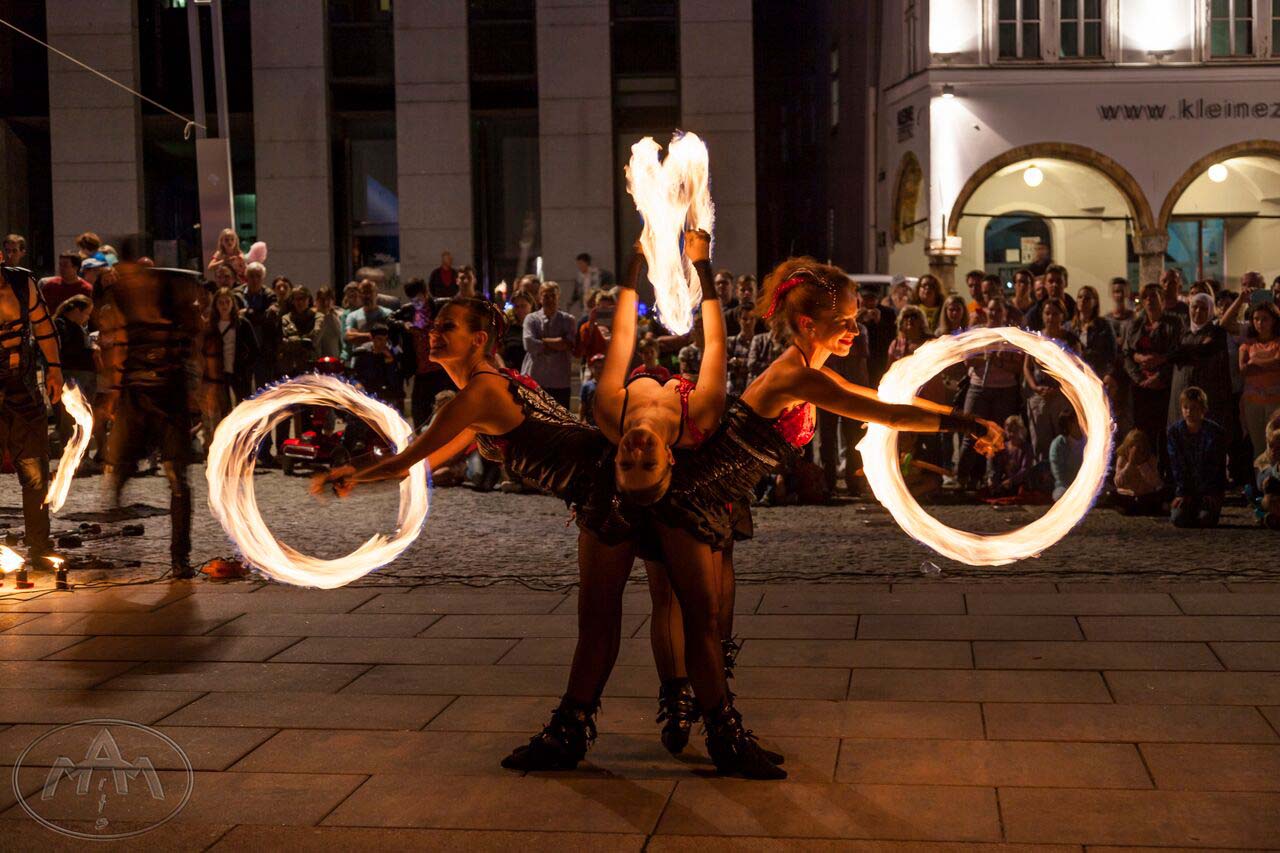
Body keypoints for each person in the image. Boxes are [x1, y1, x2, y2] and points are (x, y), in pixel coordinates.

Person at [98, 259, 203, 577]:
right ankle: (114, 533)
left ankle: (179, 557)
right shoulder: (123, 303)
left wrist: (200, 390)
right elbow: (118, 346)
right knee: (119, 469)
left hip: (170, 396)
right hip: (136, 396)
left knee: (177, 479)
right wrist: (114, 393)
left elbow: (196, 344)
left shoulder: (175, 304)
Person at [0, 262, 63, 582]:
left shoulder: (21, 283)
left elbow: (44, 327)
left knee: (36, 471)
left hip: (23, 388)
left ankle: (39, 547)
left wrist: (54, 367)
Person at [957, 298, 1024, 489]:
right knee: (970, 432)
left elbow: (1018, 366)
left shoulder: (1010, 336)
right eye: (991, 310)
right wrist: (984, 358)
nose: (994, 314)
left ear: (1005, 313)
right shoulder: (979, 333)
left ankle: (992, 480)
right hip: (979, 388)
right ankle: (962, 478)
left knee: (998, 436)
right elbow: (967, 360)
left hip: (1004, 390)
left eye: (998, 310)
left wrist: (999, 362)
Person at [1123, 282, 1183, 472]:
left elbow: (1178, 352)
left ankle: (1166, 474)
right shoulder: (1135, 324)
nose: (1149, 300)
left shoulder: (1174, 323)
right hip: (1141, 388)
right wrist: (1140, 378)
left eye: (1153, 296)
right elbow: (1127, 353)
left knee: (1165, 432)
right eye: (1146, 296)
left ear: (1162, 300)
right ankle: (1145, 473)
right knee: (1142, 432)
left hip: (1164, 387)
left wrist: (1160, 372)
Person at [1167, 292, 1232, 434]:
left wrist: (1183, 353)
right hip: (1180, 389)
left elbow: (1204, 351)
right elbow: (1171, 355)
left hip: (1207, 391)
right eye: (1194, 307)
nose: (1197, 311)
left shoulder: (1216, 333)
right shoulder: (1182, 332)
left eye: (1203, 309)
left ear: (1210, 311)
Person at [1024, 299, 1080, 461]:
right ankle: (1042, 477)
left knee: (1064, 437)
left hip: (1062, 395)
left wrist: (1061, 387)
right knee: (1040, 440)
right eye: (1047, 313)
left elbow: (1077, 369)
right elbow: (1027, 367)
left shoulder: (1070, 340)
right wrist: (1034, 387)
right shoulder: (1036, 338)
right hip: (1039, 396)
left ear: (1062, 316)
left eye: (1055, 314)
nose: (1051, 318)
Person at [1167, 386, 1226, 528]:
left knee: (1206, 520)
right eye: (1185, 407)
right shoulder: (1175, 432)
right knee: (1179, 519)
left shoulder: (1214, 432)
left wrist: (1212, 493)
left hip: (1208, 489)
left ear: (1202, 409)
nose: (1189, 412)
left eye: (1193, 408)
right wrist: (1181, 492)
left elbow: (1216, 466)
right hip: (1187, 488)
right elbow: (1177, 464)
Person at [201, 286, 258, 428]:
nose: (224, 306)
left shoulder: (242, 324)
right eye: (221, 302)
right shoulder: (211, 326)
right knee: (223, 412)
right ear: (216, 305)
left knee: (243, 410)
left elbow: (254, 349)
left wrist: (245, 367)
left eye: (227, 302)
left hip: (239, 374)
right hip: (219, 375)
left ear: (232, 303)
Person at [51, 295, 97, 453]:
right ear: (77, 310)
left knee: (83, 416)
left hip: (82, 375)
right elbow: (63, 349)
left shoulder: (76, 326)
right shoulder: (61, 325)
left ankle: (80, 455)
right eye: (87, 313)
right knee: (71, 418)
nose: (88, 318)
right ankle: (71, 454)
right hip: (72, 375)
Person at [521, 281, 577, 409]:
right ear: (540, 298)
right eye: (546, 296)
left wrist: (542, 341)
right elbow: (529, 344)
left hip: (560, 381)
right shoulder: (531, 319)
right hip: (536, 379)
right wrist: (556, 343)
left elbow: (568, 344)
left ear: (558, 297)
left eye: (553, 296)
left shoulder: (568, 320)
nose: (550, 300)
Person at [1239, 301, 1280, 456]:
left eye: (1264, 319)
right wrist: (1268, 364)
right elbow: (1243, 369)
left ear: (1273, 320)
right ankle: (1260, 479)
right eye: (1256, 319)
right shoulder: (1248, 344)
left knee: (1275, 447)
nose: (1260, 323)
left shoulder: (1277, 343)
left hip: (1276, 403)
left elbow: (1278, 363)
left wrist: (1255, 362)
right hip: (1253, 403)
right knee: (1258, 448)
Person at [1113, 428, 1165, 515]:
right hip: (1128, 495)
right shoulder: (1122, 458)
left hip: (1145, 495)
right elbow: (1118, 482)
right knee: (1111, 496)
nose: (1136, 451)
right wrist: (1130, 464)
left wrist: (1142, 464)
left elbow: (1156, 483)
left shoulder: (1150, 459)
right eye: (1132, 446)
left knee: (1154, 498)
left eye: (1139, 447)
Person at [343, 279, 393, 367]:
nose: (367, 296)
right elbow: (349, 337)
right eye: (364, 292)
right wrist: (376, 336)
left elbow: (391, 338)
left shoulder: (387, 314)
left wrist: (359, 335)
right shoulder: (353, 316)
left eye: (370, 292)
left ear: (376, 294)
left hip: (382, 364)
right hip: (360, 364)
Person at [855, 282, 896, 387]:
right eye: (865, 298)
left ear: (878, 299)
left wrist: (879, 323)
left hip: (879, 361)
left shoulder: (887, 313)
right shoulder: (852, 311)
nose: (869, 302)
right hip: (857, 361)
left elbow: (891, 338)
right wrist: (856, 321)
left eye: (872, 299)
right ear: (859, 297)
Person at [1023, 265, 1077, 332]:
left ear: (1066, 283)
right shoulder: (1035, 314)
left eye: (1059, 281)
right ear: (1045, 284)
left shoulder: (1075, 309)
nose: (1054, 285)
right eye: (1051, 281)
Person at [1048, 409, 1085, 500]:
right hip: (1066, 486)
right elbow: (1058, 473)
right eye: (1076, 421)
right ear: (1069, 425)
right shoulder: (1058, 444)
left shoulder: (1089, 441)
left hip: (1087, 484)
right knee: (1062, 495)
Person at [727, 298, 759, 397]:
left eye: (752, 319)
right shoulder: (730, 342)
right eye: (745, 319)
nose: (748, 322)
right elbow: (726, 364)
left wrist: (740, 362)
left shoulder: (761, 343)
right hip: (733, 393)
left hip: (754, 393)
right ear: (738, 320)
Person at [502, 292, 533, 370]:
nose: (519, 310)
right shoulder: (509, 328)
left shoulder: (537, 327)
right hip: (512, 374)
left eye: (523, 306)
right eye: (516, 307)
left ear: (531, 306)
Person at [313, 287, 344, 360]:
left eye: (328, 299)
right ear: (316, 301)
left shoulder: (338, 316)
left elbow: (341, 339)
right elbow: (314, 342)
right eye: (322, 299)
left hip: (334, 361)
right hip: (316, 361)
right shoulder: (312, 317)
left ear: (333, 301)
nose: (325, 302)